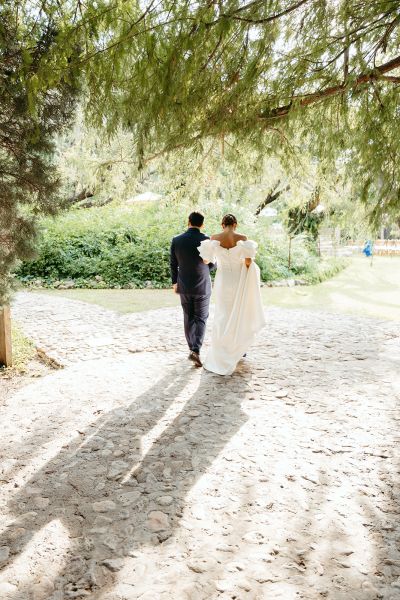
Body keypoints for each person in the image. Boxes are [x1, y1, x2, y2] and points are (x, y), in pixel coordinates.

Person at [198, 213, 266, 375]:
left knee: (222, 314)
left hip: (223, 280)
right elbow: (248, 261)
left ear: (222, 225)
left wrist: (217, 253)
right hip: (237, 280)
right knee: (238, 312)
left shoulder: (214, 238)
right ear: (235, 224)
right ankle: (237, 347)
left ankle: (221, 350)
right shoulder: (242, 238)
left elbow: (206, 261)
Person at [170, 211, 215, 367]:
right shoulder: (207, 240)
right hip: (202, 284)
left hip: (184, 284)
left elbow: (173, 263)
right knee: (201, 318)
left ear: (188, 221)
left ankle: (192, 348)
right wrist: (204, 268)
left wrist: (174, 282)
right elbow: (212, 263)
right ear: (202, 224)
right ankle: (196, 349)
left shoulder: (177, 240)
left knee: (188, 317)